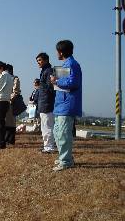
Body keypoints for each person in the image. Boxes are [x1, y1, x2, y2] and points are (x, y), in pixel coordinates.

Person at [50, 40, 82, 171]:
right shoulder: (66, 64)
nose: (56, 53)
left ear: (61, 52)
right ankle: (64, 157)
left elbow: (73, 82)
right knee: (57, 133)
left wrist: (56, 80)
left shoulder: (73, 64)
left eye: (57, 51)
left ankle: (66, 161)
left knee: (63, 134)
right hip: (60, 104)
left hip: (67, 105)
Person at [36, 52, 56, 153]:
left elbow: (50, 88)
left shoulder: (48, 71)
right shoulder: (44, 71)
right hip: (44, 102)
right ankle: (47, 145)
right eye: (37, 61)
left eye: (40, 60)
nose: (38, 62)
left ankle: (49, 147)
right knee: (45, 125)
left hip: (46, 103)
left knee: (47, 126)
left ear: (46, 60)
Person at [5, 64, 20, 145]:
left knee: (11, 122)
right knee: (6, 121)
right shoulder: (5, 79)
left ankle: (10, 140)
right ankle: (6, 139)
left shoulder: (15, 79)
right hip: (4, 102)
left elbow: (16, 92)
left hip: (11, 102)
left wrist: (9, 100)